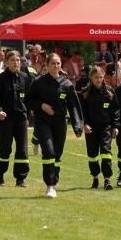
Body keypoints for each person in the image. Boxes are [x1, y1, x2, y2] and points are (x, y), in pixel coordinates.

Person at [27, 52, 83, 197]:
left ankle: (54, 181)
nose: (56, 66)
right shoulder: (38, 82)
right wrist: (41, 105)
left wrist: (78, 125)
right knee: (49, 151)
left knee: (57, 154)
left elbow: (74, 107)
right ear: (47, 65)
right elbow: (28, 101)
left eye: (58, 63)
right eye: (53, 63)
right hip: (43, 121)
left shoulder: (67, 84)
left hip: (60, 122)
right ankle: (49, 185)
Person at [0, 48, 30, 187]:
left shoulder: (24, 77)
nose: (16, 63)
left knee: (22, 149)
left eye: (18, 60)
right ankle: (0, 174)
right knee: (6, 148)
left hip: (21, 117)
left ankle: (20, 178)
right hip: (6, 118)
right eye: (13, 60)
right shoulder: (1, 78)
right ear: (7, 62)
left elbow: (30, 97)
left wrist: (30, 111)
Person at [81, 64, 120, 190]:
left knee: (106, 152)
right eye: (96, 77)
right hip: (91, 128)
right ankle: (95, 177)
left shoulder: (109, 91)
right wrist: (84, 124)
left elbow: (115, 110)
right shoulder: (85, 92)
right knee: (92, 154)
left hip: (105, 127)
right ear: (91, 78)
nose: (99, 80)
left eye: (101, 77)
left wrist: (115, 126)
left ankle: (107, 179)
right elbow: (82, 111)